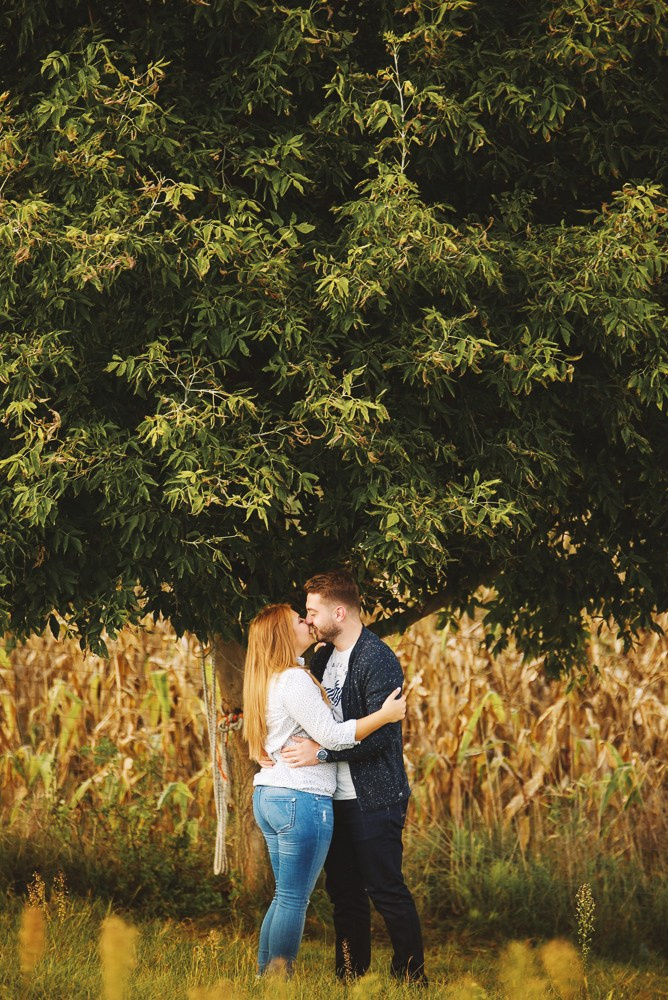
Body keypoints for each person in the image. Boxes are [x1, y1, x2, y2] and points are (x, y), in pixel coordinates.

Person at [242, 602, 406, 977]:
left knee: (283, 896)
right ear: (284, 635)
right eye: (300, 620)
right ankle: (277, 979)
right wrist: (384, 716)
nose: (307, 622)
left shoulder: (267, 678)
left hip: (269, 795)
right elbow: (332, 736)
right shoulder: (294, 680)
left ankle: (265, 977)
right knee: (293, 899)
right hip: (300, 798)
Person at [280, 570, 427, 985]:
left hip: (374, 798)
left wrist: (322, 752)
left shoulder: (377, 659)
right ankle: (350, 976)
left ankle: (411, 977)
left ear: (339, 613)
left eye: (313, 612)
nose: (308, 620)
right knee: (344, 894)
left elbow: (383, 737)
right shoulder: (322, 658)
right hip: (331, 797)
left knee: (386, 889)